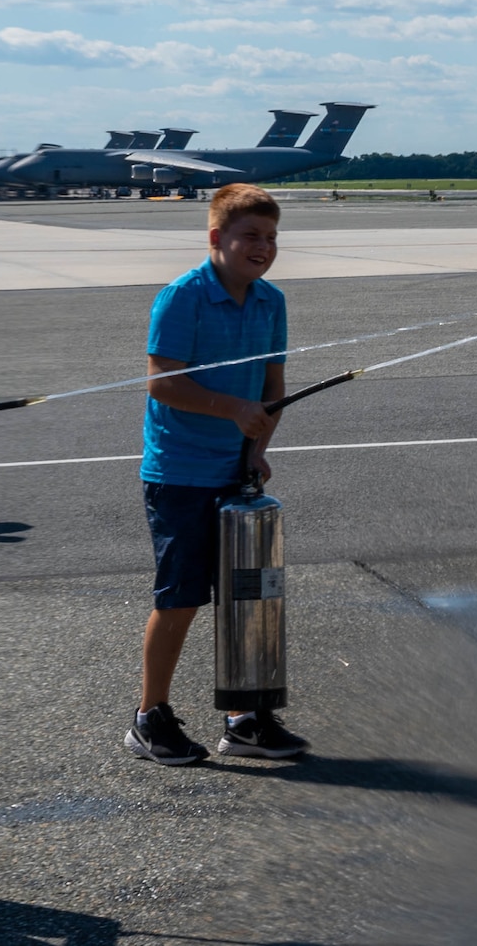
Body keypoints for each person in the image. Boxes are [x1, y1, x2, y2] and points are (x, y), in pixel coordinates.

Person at [129, 183, 308, 766]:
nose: (263, 247)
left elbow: (272, 388)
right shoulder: (183, 297)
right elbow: (162, 382)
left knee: (247, 598)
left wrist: (258, 446)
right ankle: (148, 717)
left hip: (236, 470)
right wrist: (233, 410)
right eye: (250, 235)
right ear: (216, 238)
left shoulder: (271, 302)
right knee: (180, 597)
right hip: (180, 472)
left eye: (271, 237)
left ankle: (244, 716)